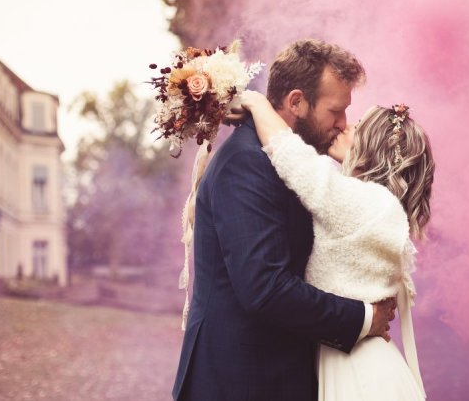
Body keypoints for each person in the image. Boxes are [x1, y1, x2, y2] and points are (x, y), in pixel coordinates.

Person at [171, 39, 397, 401]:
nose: (343, 124)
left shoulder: (290, 161)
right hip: (241, 381)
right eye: (335, 111)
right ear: (296, 102)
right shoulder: (246, 162)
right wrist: (364, 318)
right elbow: (264, 287)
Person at [238, 89, 435, 400]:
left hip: (361, 375)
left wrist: (256, 102)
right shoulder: (371, 204)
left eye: (356, 127)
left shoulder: (368, 203)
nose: (344, 126)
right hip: (352, 360)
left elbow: (291, 157)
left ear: (371, 148)